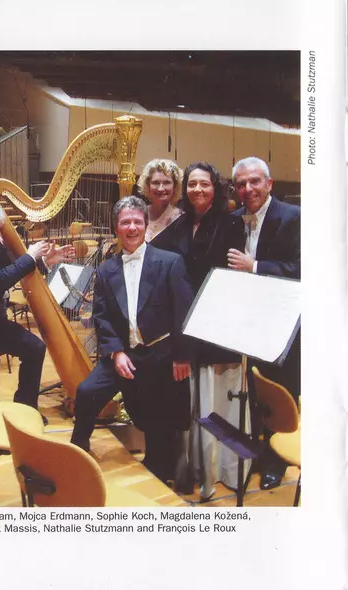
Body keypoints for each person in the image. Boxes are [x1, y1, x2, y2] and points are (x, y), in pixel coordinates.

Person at [70, 196, 194, 483]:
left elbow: (184, 313)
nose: (132, 228)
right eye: (125, 222)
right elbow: (101, 316)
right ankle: (78, 449)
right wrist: (116, 352)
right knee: (87, 392)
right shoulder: (106, 269)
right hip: (124, 353)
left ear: (146, 225)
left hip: (160, 354)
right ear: (116, 227)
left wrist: (182, 355)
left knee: (159, 418)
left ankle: (159, 470)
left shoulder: (170, 262)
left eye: (137, 221)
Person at [152, 162, 246, 498]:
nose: (197, 190)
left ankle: (219, 469)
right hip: (186, 323)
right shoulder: (179, 224)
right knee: (191, 397)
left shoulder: (231, 223)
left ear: (214, 187)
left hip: (216, 323)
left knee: (214, 397)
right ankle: (193, 468)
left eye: (204, 184)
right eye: (192, 184)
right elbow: (155, 253)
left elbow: (230, 277)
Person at [0, 197, 75, 424]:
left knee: (35, 347)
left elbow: (13, 272)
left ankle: (25, 407)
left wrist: (45, 262)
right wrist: (30, 256)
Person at [227, 156, 301, 490]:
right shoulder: (233, 220)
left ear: (269, 184)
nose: (248, 189)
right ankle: (258, 449)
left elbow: (302, 269)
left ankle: (276, 459)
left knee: (278, 390)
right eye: (241, 184)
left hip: (280, 320)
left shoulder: (294, 217)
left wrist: (255, 266)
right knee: (251, 388)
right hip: (245, 318)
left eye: (255, 181)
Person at [137, 158, 183, 242]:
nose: (160, 188)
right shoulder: (139, 214)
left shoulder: (182, 219)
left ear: (175, 186)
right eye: (155, 183)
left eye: (166, 183)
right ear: (148, 185)